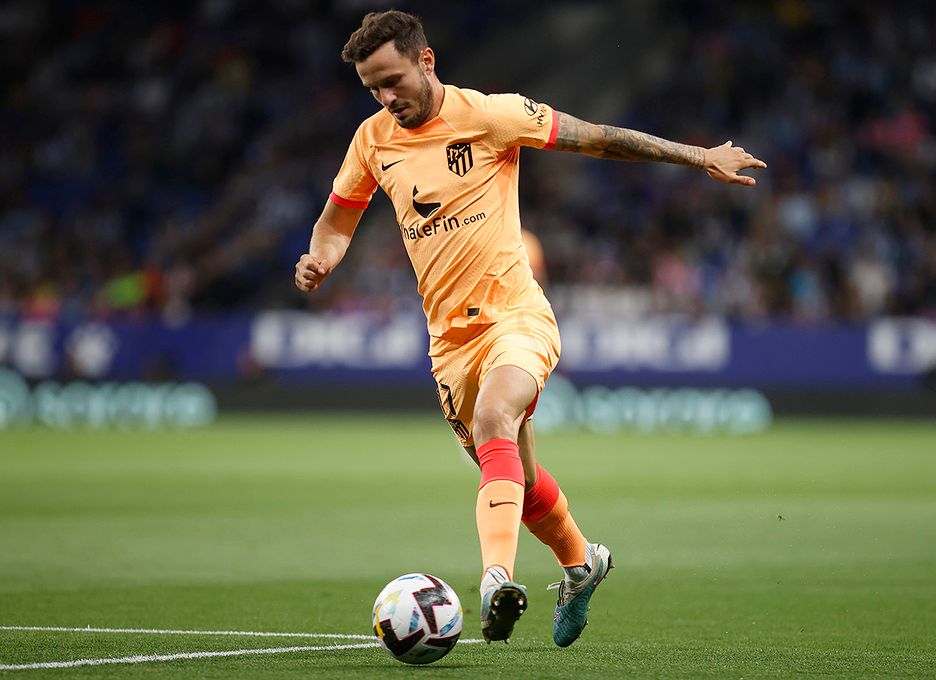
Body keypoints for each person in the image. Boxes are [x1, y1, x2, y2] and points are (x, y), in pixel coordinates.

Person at [295, 10, 765, 647]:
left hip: (516, 316)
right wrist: (322, 256)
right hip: (449, 346)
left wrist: (700, 155)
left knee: (496, 417)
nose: (385, 97)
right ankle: (582, 563)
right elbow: (337, 218)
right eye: (372, 87)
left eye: (393, 80)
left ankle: (495, 580)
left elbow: (598, 138)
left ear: (426, 61)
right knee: (520, 476)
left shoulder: (493, 116)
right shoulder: (372, 140)